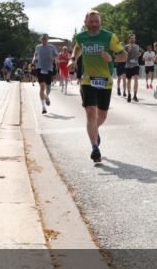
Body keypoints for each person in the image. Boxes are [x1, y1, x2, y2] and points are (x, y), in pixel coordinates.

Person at [70, 10, 127, 162]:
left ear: (100, 22)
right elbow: (77, 47)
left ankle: (94, 130)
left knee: (102, 115)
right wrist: (72, 59)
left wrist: (112, 58)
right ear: (86, 23)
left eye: (96, 21)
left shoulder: (109, 37)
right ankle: (95, 148)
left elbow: (124, 55)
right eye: (91, 21)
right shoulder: (81, 37)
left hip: (105, 81)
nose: (94, 24)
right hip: (87, 80)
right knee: (90, 112)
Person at [32, 34, 59, 114]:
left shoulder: (52, 47)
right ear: (41, 40)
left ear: (48, 39)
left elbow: (57, 56)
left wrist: (52, 58)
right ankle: (43, 107)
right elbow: (35, 55)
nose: (44, 40)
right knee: (42, 87)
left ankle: (47, 97)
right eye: (43, 39)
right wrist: (33, 60)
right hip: (40, 68)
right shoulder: (38, 47)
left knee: (48, 88)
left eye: (46, 39)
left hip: (49, 68)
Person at [124, 34, 142, 103]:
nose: (133, 40)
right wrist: (128, 51)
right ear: (129, 39)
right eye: (131, 38)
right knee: (129, 81)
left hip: (136, 65)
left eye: (134, 38)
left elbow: (137, 54)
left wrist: (139, 54)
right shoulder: (126, 47)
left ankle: (135, 95)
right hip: (128, 66)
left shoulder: (137, 46)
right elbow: (125, 56)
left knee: (136, 79)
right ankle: (129, 94)